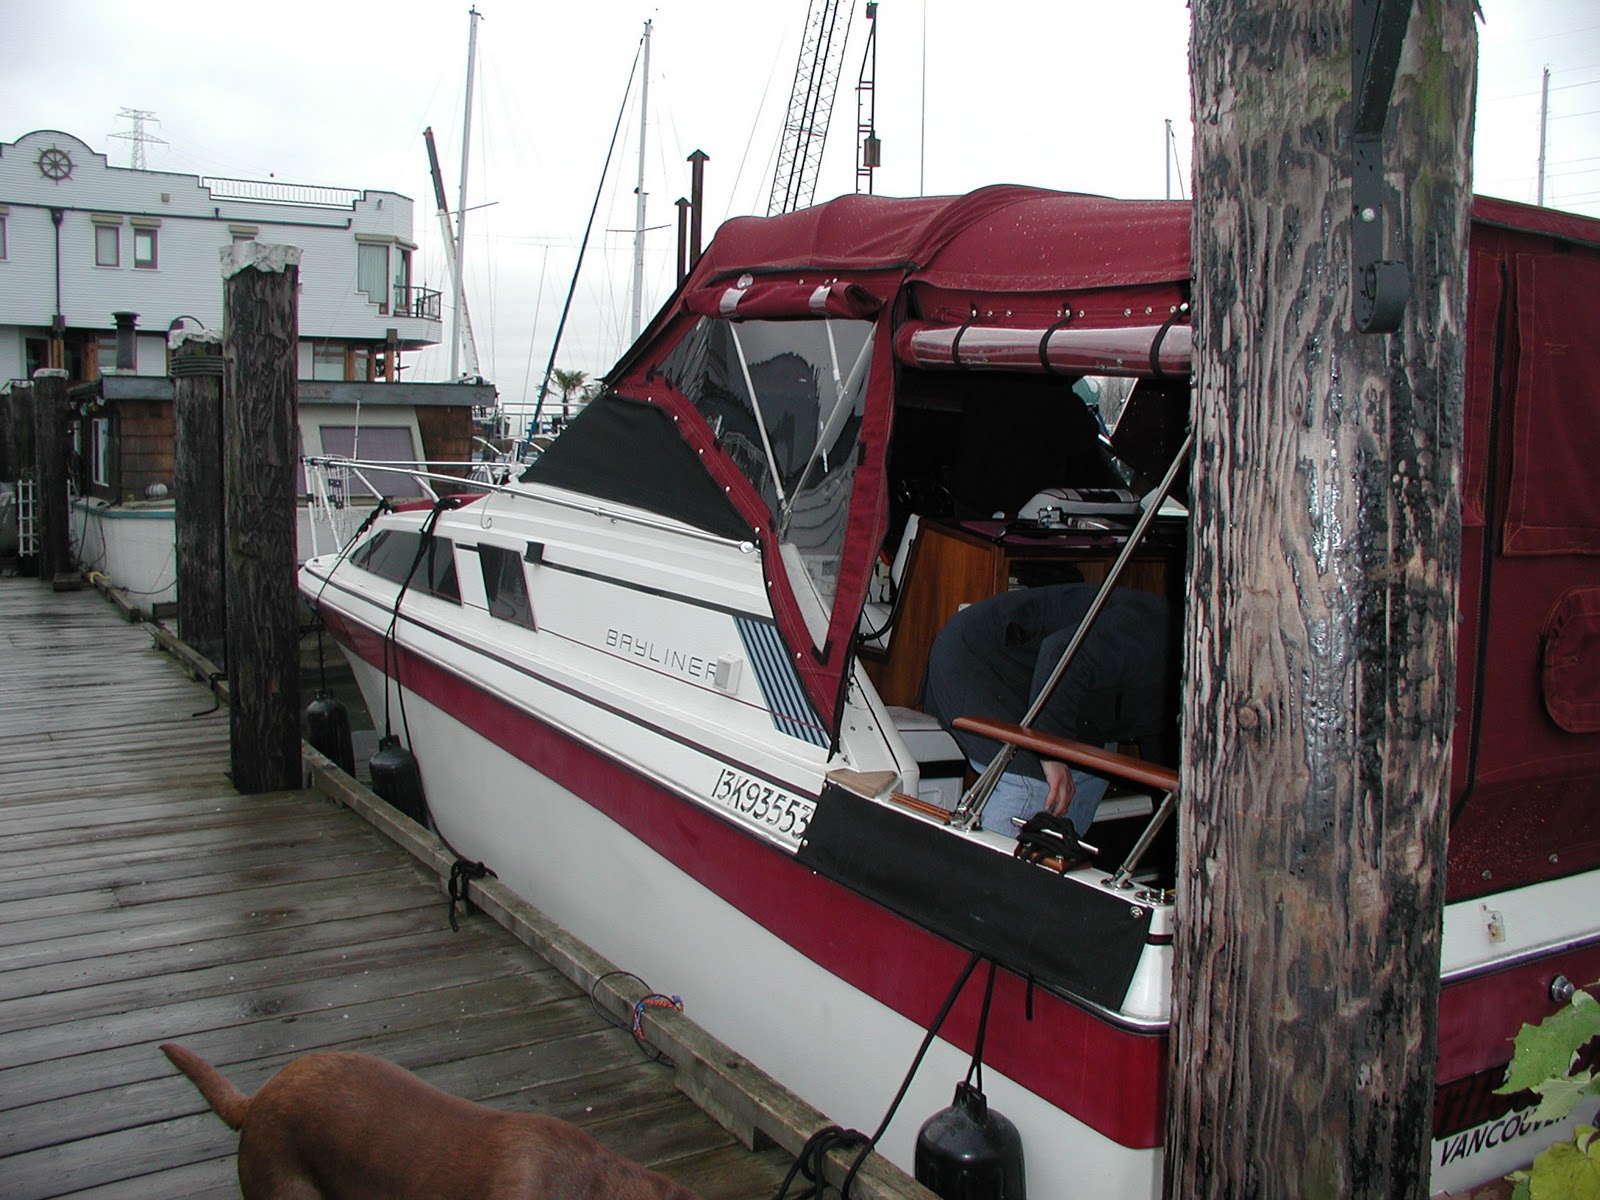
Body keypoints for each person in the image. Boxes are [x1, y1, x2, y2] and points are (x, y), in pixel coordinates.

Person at [922, 583, 1173, 838]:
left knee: (1094, 769)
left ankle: (1049, 860)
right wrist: (1051, 753)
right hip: (982, 660)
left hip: (1036, 685)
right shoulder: (1158, 631)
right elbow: (1060, 652)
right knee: (1034, 789)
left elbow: (1159, 749)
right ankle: (986, 873)